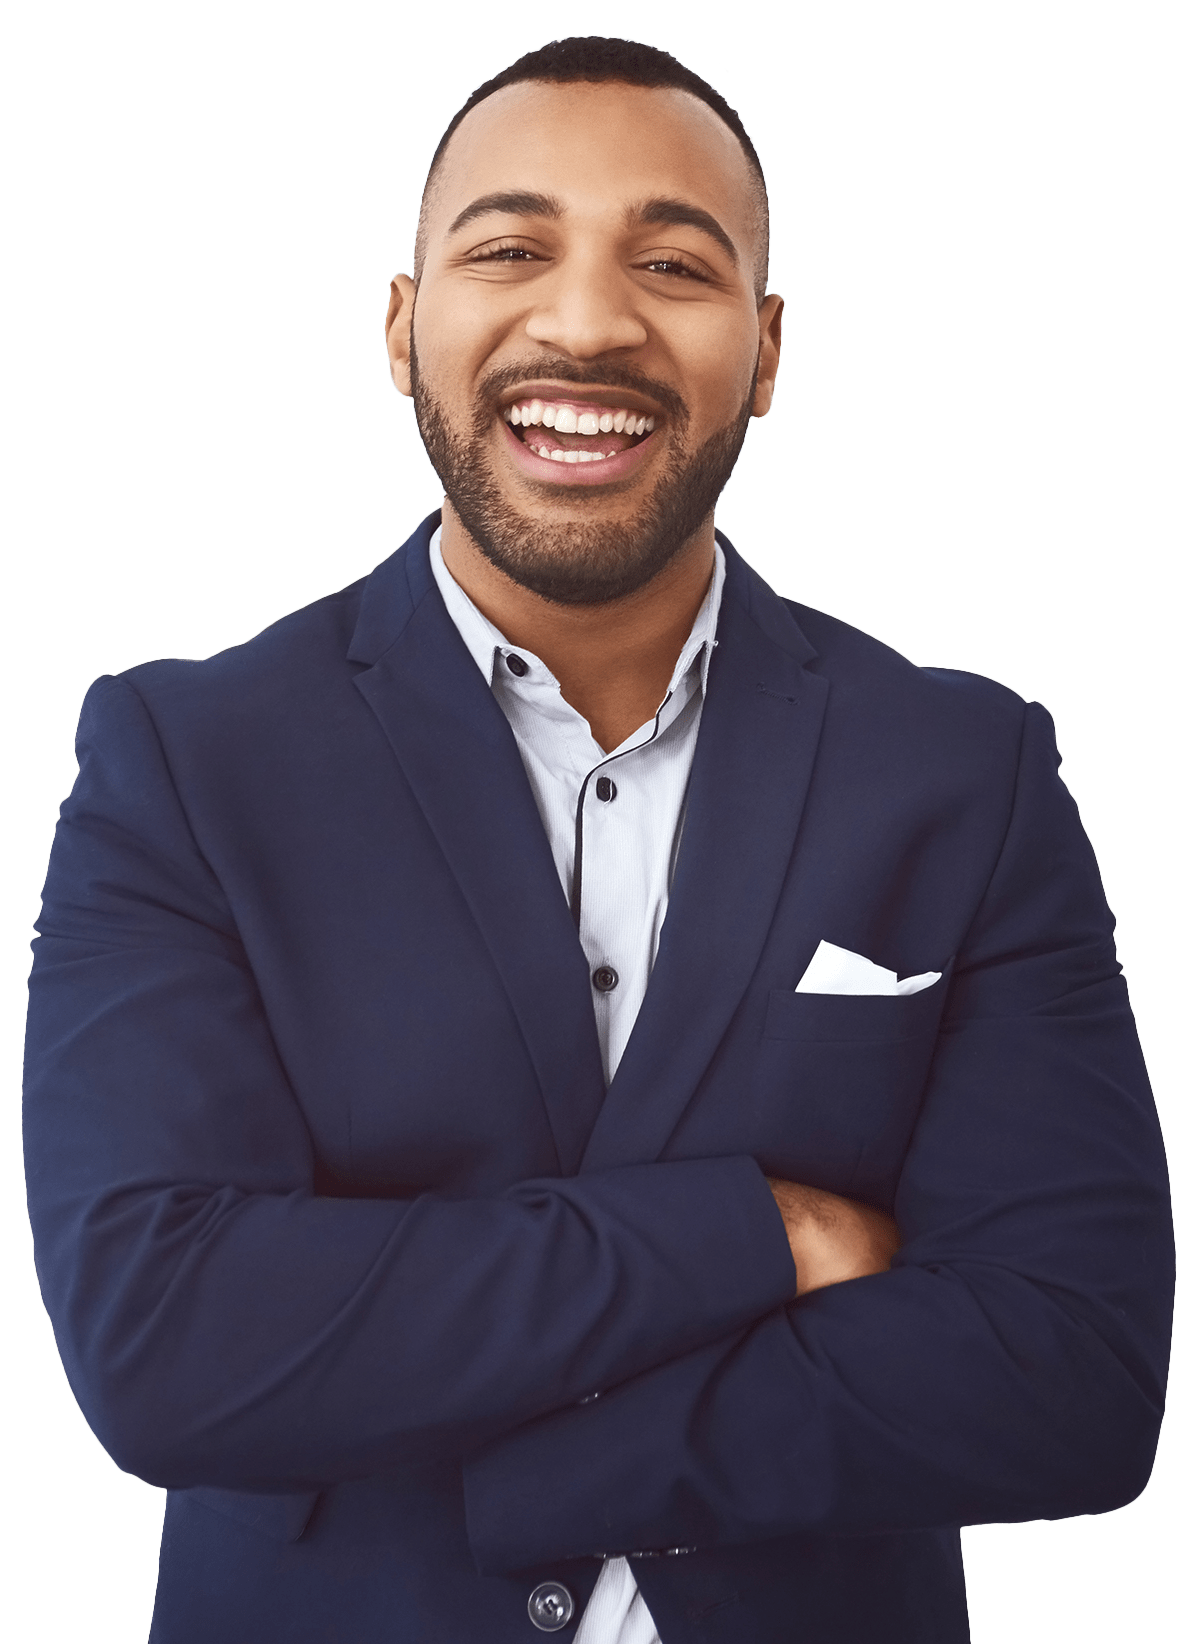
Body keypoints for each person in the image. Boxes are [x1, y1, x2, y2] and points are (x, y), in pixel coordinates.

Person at [22, 34, 1174, 1644]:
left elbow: (1071, 1374)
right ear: (404, 329)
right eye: (509, 251)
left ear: (764, 351)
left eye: (674, 264)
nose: (586, 321)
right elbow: (166, 1346)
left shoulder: (964, 773)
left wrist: (502, 1453)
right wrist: (760, 1233)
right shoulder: (184, 762)